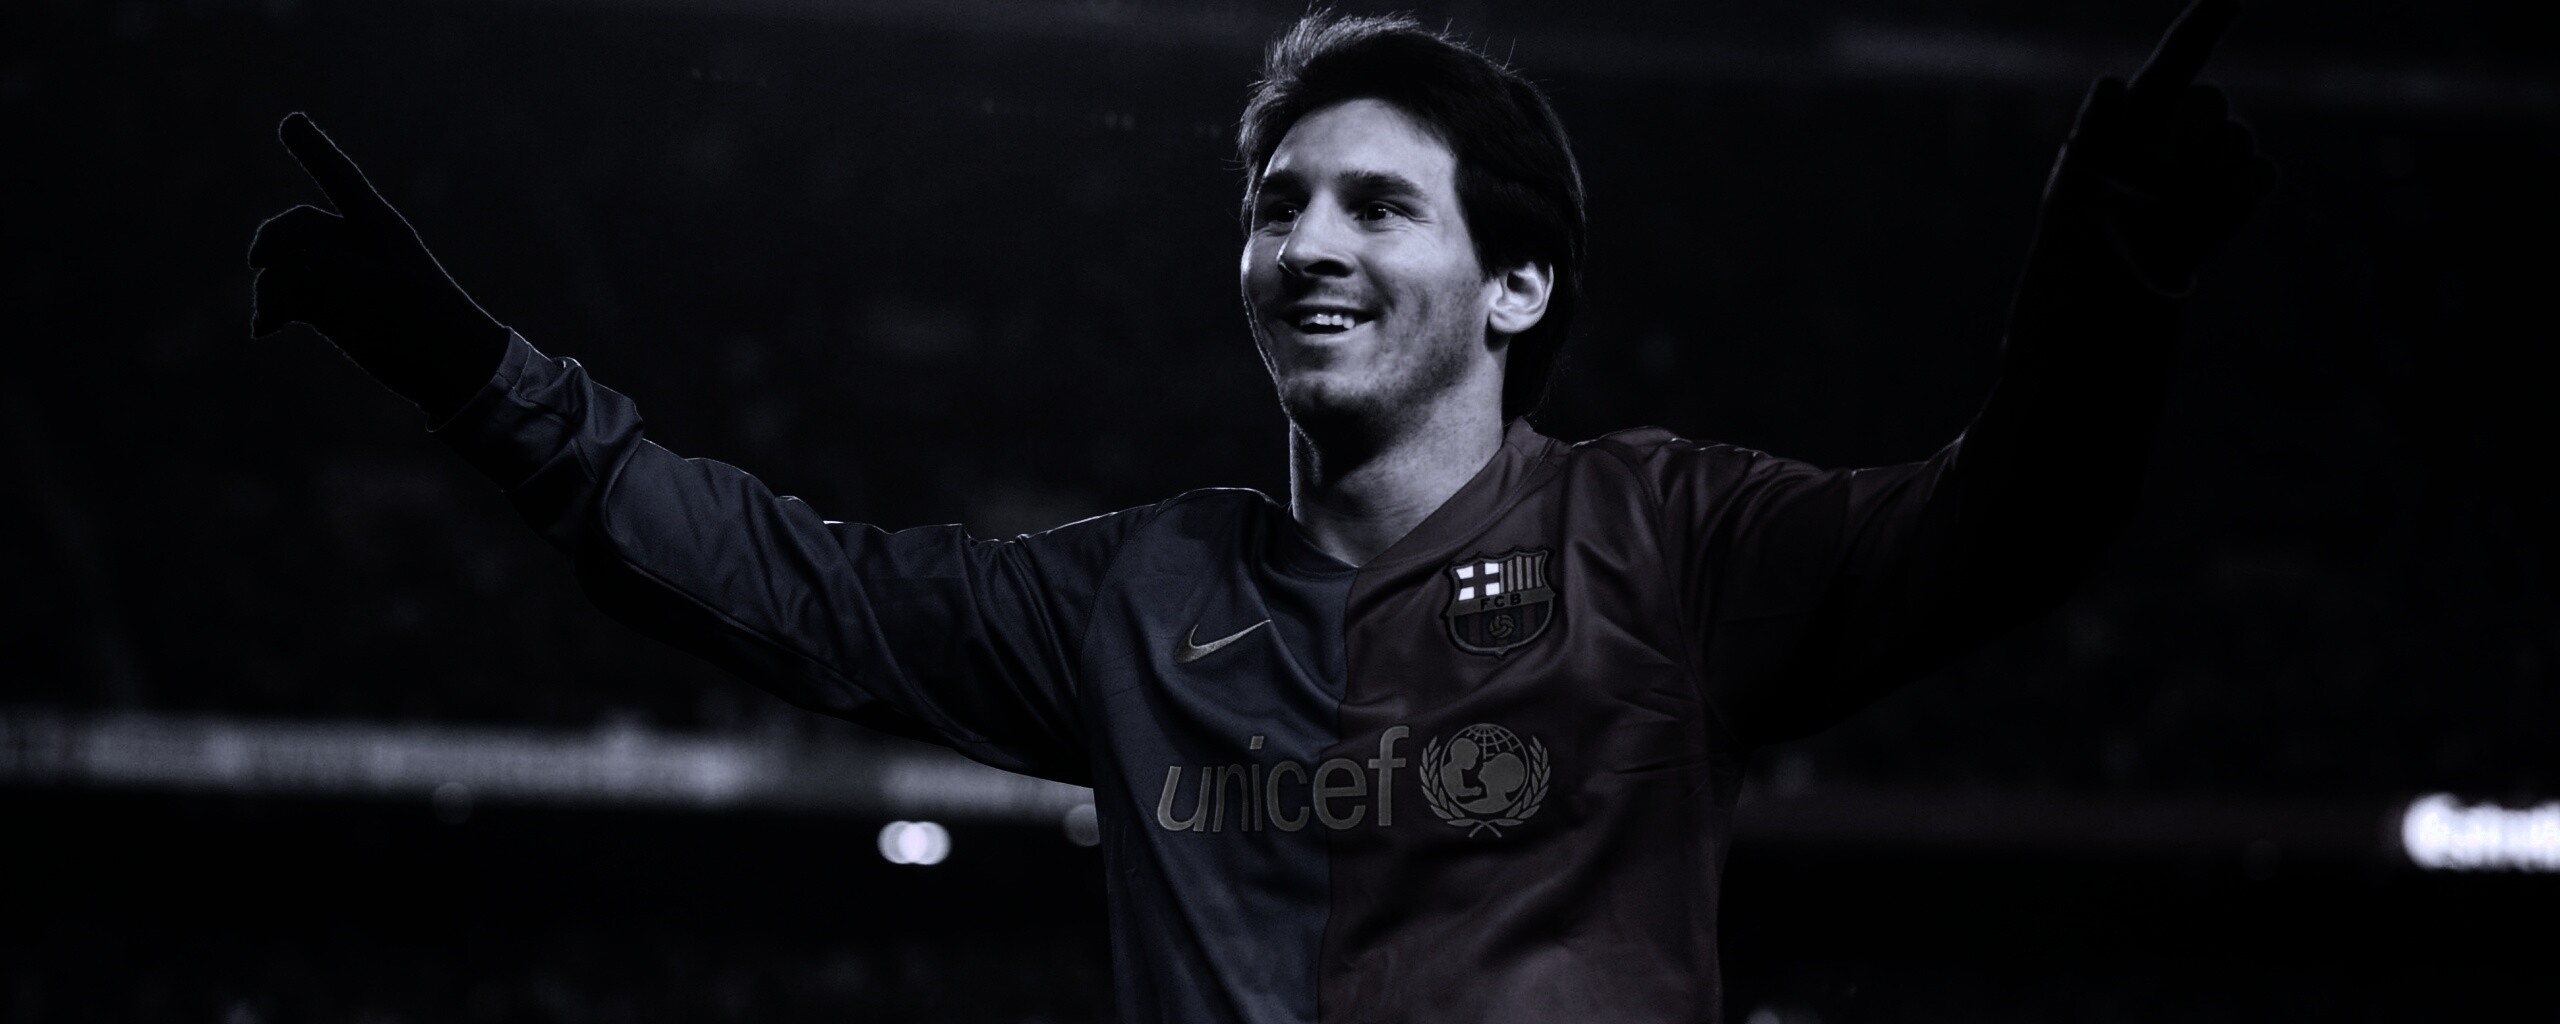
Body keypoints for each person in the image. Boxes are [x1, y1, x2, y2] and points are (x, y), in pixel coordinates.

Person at [246, 3, 2272, 1020]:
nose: (1305, 243)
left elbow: (2002, 529)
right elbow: (791, 586)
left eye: (1378, 203)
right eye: (1275, 201)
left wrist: (2102, 288)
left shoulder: (1666, 542)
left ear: (1516, 285)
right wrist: (469, 371)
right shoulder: (1143, 593)